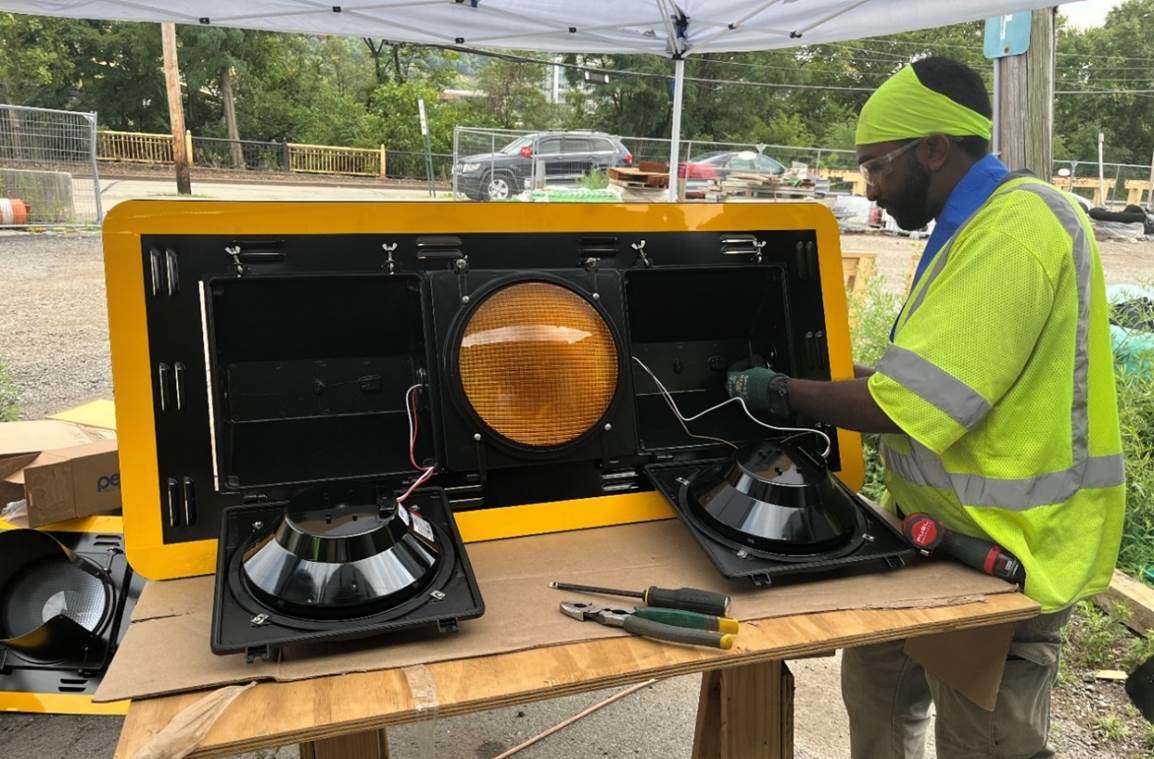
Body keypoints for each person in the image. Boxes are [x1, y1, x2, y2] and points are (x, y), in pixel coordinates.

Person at [726, 56, 1125, 759]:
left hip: (1009, 550)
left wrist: (783, 392)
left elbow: (909, 404)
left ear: (934, 149)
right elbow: (942, 378)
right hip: (927, 535)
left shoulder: (1013, 231)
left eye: (876, 166)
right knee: (878, 693)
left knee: (984, 740)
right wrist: (842, 376)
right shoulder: (973, 223)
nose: (871, 188)